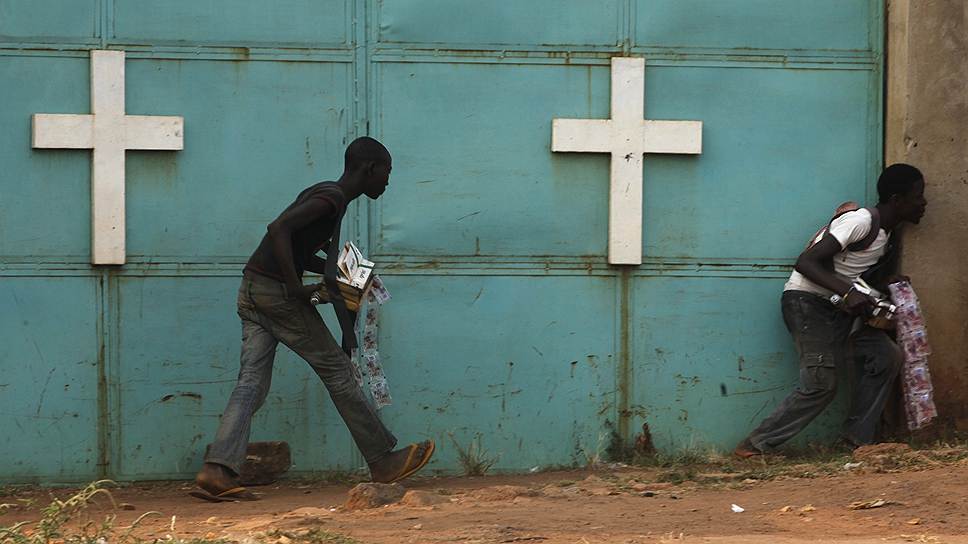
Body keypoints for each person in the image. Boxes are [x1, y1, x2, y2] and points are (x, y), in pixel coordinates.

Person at [192, 137, 434, 501]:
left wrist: (344, 298)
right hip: (275, 294)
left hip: (252, 290)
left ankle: (217, 470)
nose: (387, 181)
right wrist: (294, 287)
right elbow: (279, 230)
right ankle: (383, 460)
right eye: (386, 172)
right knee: (337, 371)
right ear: (369, 169)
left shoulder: (325, 194)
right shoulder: (332, 199)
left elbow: (296, 249)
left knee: (251, 383)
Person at [735, 164, 928, 458]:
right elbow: (807, 262)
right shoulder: (861, 221)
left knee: (887, 356)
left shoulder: (886, 236)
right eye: (918, 196)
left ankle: (854, 442)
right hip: (806, 303)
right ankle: (755, 447)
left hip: (838, 309)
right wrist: (849, 292)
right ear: (896, 200)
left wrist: (885, 284)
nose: (923, 203)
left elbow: (849, 271)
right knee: (821, 384)